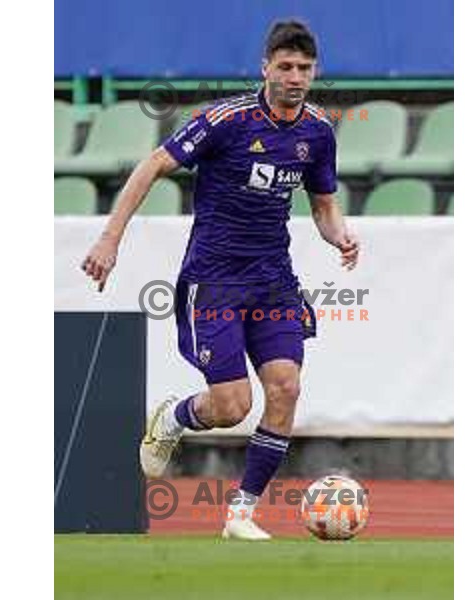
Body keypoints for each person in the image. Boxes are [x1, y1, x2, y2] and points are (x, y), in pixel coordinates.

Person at [81, 20, 360, 540]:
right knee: (232, 407)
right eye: (285, 67)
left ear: (314, 71)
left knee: (286, 386)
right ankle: (176, 415)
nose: (295, 77)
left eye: (304, 68)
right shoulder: (226, 120)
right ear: (265, 67)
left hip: (273, 278)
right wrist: (109, 239)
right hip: (214, 279)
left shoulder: (318, 132)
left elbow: (322, 205)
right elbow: (151, 166)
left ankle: (240, 514)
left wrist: (339, 235)